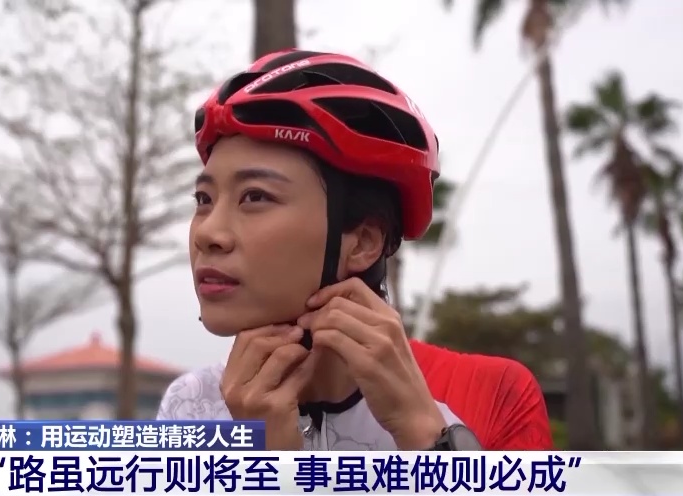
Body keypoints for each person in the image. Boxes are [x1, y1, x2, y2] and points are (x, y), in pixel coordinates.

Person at [156, 49, 553, 451]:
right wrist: (266, 458)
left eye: (255, 196)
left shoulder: (495, 394)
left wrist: (424, 434)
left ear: (363, 242)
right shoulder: (189, 405)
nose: (209, 233)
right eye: (204, 199)